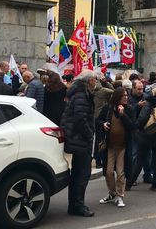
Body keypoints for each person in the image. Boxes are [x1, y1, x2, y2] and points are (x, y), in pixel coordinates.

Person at [61, 70, 98, 217]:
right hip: (80, 140)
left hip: (77, 139)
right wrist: (89, 134)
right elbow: (80, 118)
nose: (96, 82)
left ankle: (74, 204)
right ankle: (77, 204)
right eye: (95, 79)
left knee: (78, 173)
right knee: (82, 173)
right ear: (89, 81)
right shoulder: (82, 95)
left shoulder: (78, 93)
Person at [97, 87, 136, 208]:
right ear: (117, 97)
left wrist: (123, 115)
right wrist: (103, 124)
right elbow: (98, 120)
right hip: (110, 146)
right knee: (108, 172)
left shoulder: (129, 109)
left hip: (123, 146)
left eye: (126, 95)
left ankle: (120, 196)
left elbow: (131, 126)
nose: (126, 97)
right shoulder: (108, 109)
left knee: (120, 172)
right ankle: (112, 193)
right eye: (123, 95)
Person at [128, 85, 156, 192]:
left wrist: (136, 126)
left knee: (140, 159)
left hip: (147, 133)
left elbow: (143, 118)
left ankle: (129, 183)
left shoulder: (149, 102)